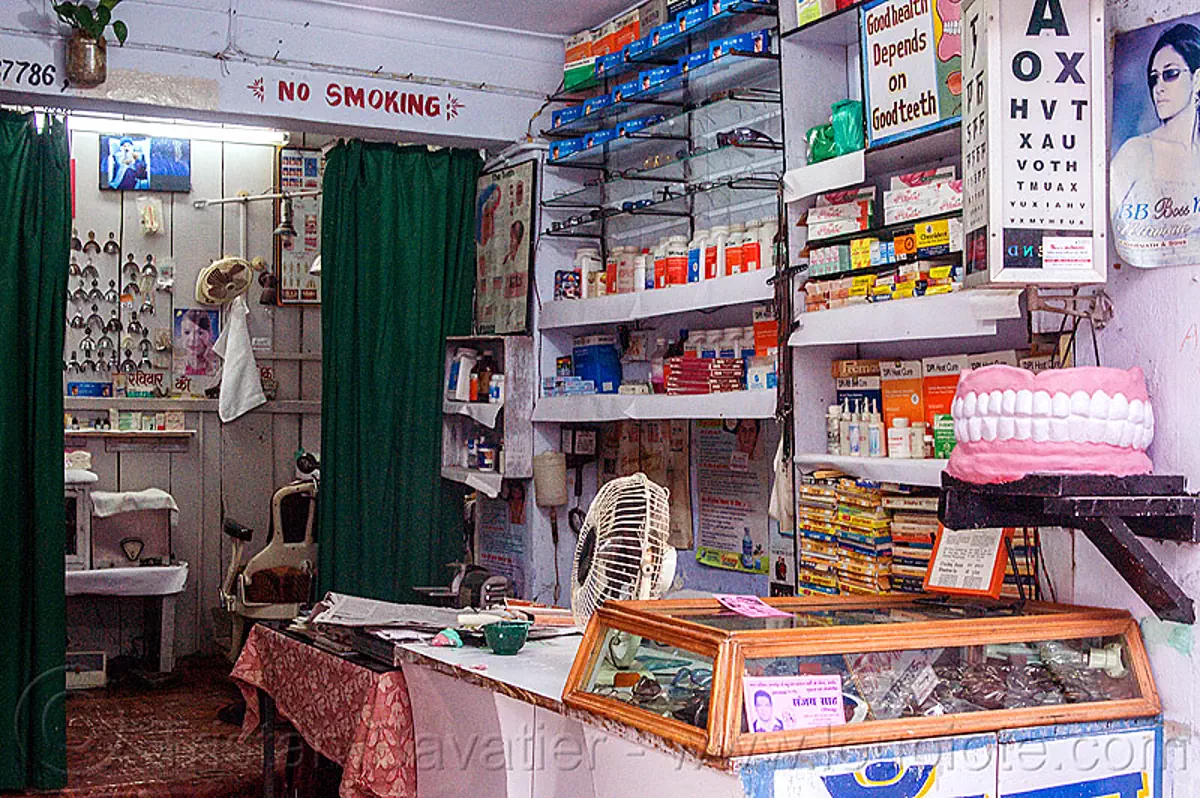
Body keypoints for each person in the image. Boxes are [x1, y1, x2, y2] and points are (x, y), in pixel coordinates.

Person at [1110, 22, 1200, 262]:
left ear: (1197, 79)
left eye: (1170, 74)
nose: (1159, 88)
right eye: (1154, 78)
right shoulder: (1135, 152)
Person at [178, 309, 218, 376]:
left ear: (209, 334)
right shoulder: (178, 365)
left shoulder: (215, 364)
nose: (193, 339)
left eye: (200, 333)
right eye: (187, 332)